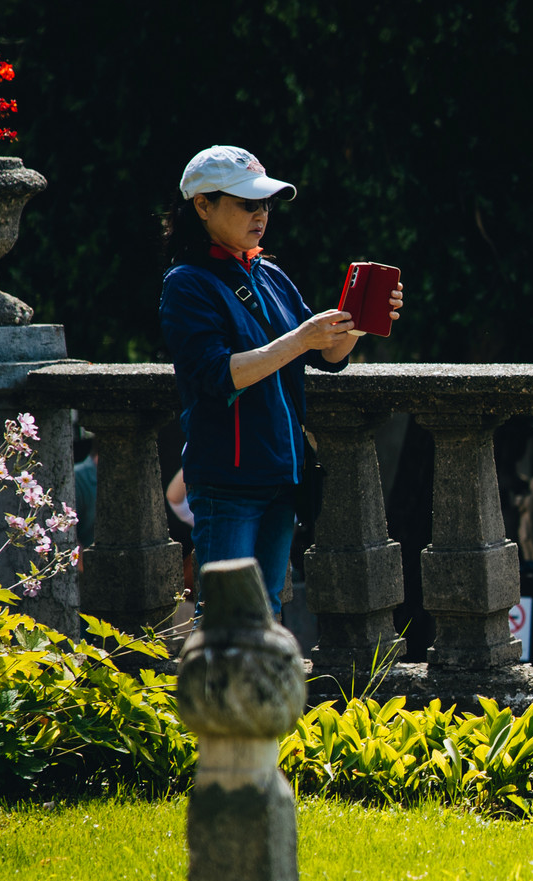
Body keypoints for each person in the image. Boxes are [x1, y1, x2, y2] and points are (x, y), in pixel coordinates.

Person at [158, 145, 404, 618]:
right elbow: (219, 374)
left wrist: (360, 320)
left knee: (267, 611)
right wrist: (301, 339)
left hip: (281, 474)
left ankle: (252, 696)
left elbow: (327, 354)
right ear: (202, 206)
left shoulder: (266, 271)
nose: (261, 215)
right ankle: (220, 696)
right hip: (227, 481)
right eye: (246, 203)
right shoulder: (186, 282)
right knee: (228, 618)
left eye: (265, 203)